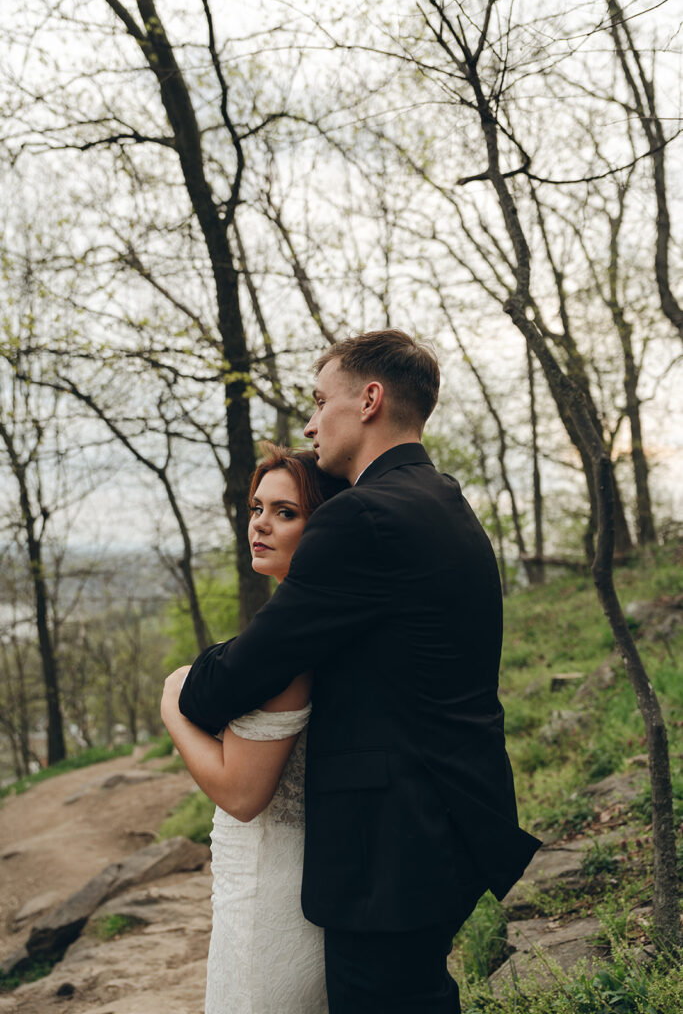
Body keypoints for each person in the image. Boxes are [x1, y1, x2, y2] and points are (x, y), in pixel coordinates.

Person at [175, 329, 541, 1013]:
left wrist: (177, 687)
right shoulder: (444, 500)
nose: (311, 423)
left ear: (368, 399)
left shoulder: (360, 518)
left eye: (320, 401)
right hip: (452, 819)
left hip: (388, 848)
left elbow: (235, 677)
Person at [161, 444, 345, 1014]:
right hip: (277, 876)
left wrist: (172, 702)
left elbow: (242, 794)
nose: (261, 524)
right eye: (257, 508)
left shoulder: (287, 649)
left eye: (286, 512)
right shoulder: (320, 619)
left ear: (322, 527)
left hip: (268, 886)